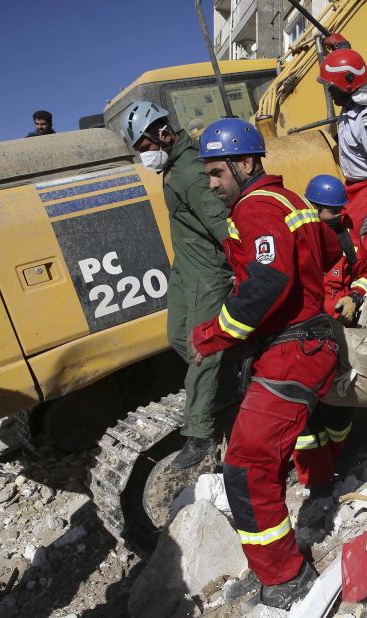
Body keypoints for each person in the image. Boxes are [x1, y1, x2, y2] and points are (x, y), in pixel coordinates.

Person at [190, 118, 343, 609]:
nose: (211, 186)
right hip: (309, 342)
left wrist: (212, 336)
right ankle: (320, 493)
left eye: (217, 173)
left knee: (246, 465)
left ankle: (284, 576)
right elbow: (334, 248)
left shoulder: (255, 207)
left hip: (294, 349)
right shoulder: (293, 202)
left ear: (246, 162)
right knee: (291, 439)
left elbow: (266, 281)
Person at [119, 100, 234, 469]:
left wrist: (242, 266)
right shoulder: (173, 166)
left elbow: (222, 226)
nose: (144, 157)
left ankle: (199, 433)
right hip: (185, 270)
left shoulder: (191, 172)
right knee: (177, 337)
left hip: (207, 274)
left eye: (145, 148)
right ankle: (228, 379)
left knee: (203, 348)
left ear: (164, 134)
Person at [291, 174, 367, 489]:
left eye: (339, 211)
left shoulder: (348, 237)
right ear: (314, 207)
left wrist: (355, 296)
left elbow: (364, 273)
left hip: (339, 336)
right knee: (305, 418)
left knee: (339, 413)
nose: (336, 217)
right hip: (304, 337)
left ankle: (335, 463)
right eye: (330, 212)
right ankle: (314, 481)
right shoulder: (299, 238)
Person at [318, 49, 367, 236]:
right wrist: (342, 47)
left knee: (359, 243)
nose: (329, 91)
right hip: (355, 187)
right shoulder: (350, 106)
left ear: (348, 86)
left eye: (333, 86)